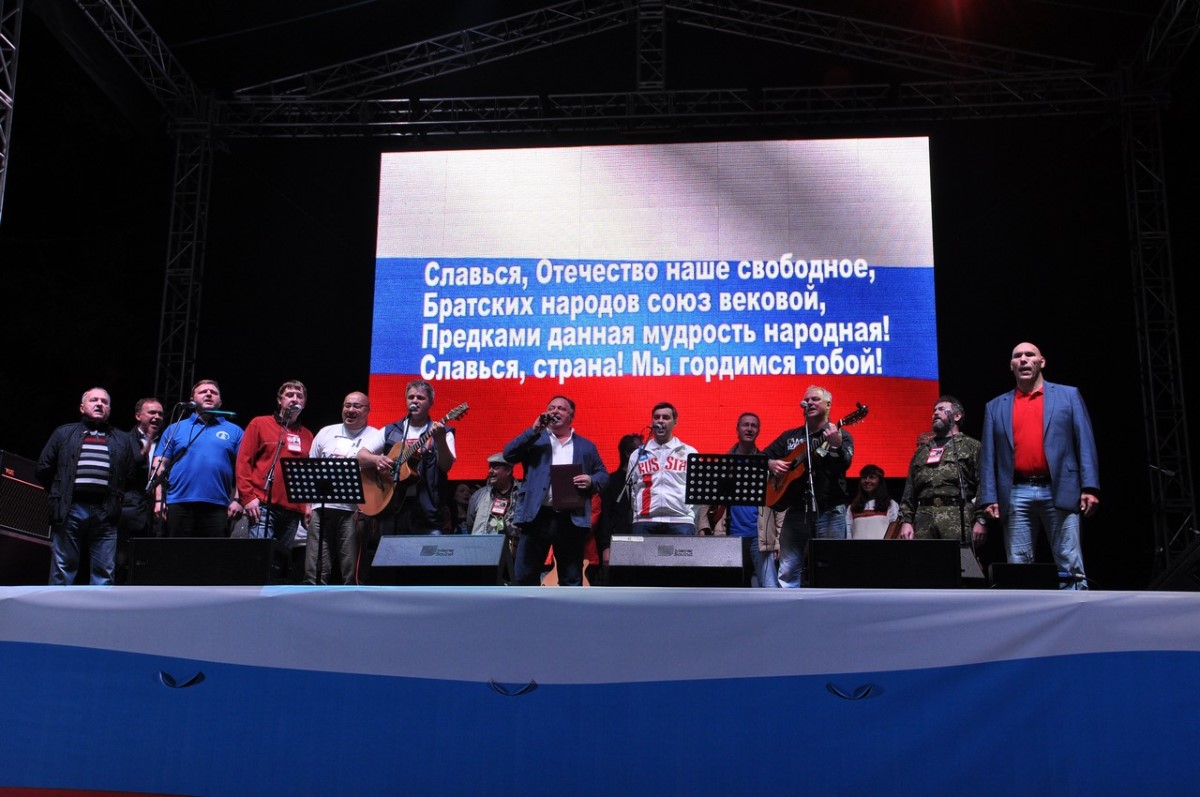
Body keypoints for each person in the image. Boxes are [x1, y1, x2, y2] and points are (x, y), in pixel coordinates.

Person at [979, 342, 1099, 588]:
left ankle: (1076, 608)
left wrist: (1089, 487)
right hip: (1016, 493)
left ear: (1041, 361)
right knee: (1018, 564)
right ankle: (1026, 610)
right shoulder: (995, 406)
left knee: (1069, 561)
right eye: (1017, 356)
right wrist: (989, 497)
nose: (1023, 359)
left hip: (1060, 489)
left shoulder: (1068, 395)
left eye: (1029, 355)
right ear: (1011, 365)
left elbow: (1085, 442)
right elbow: (989, 457)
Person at [502, 396, 607, 586]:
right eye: (551, 408)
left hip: (570, 518)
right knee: (524, 576)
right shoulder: (536, 440)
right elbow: (509, 454)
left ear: (571, 416)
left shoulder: (586, 446)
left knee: (571, 579)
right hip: (537, 516)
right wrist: (533, 430)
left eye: (561, 408)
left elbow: (603, 475)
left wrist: (591, 481)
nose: (555, 411)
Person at [36, 388, 137, 585]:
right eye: (94, 400)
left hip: (106, 511)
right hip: (70, 509)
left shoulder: (122, 439)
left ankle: (98, 607)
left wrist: (116, 500)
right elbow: (43, 468)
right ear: (82, 407)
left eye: (104, 402)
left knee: (104, 574)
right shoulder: (64, 433)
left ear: (109, 409)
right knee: (63, 570)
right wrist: (60, 493)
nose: (99, 404)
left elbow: (129, 476)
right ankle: (59, 605)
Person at [762, 385, 853, 588]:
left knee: (831, 567)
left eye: (815, 399)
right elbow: (761, 457)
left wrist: (836, 446)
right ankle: (789, 607)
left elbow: (843, 465)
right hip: (796, 511)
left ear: (828, 405)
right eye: (807, 400)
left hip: (829, 511)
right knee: (788, 571)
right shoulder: (790, 437)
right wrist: (771, 464)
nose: (810, 402)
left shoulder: (841, 435)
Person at [235, 380, 314, 581]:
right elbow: (243, 462)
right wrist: (247, 497)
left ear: (304, 403)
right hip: (262, 505)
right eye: (289, 395)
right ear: (280, 400)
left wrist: (306, 505)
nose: (294, 399)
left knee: (279, 563)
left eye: (299, 396)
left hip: (293, 511)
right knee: (260, 559)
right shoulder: (259, 423)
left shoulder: (307, 435)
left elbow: (307, 475)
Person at [697, 412, 782, 587]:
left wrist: (779, 539)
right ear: (737, 429)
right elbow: (708, 499)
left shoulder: (767, 465)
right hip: (729, 535)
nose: (749, 429)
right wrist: (703, 526)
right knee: (730, 589)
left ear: (759, 431)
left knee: (769, 588)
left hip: (761, 537)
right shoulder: (724, 463)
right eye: (745, 425)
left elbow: (779, 504)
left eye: (753, 425)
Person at [307, 391, 384, 585]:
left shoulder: (376, 436)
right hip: (321, 508)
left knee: (352, 575)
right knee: (315, 572)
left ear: (368, 410)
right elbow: (311, 469)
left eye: (357, 406)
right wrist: (308, 506)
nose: (351, 410)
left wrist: (374, 513)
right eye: (347, 405)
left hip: (355, 511)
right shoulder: (325, 432)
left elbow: (382, 478)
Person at [361, 379, 456, 535]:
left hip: (427, 514)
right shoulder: (391, 430)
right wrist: (377, 459)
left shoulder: (443, 432)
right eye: (411, 397)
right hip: (391, 509)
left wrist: (440, 439)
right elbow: (360, 456)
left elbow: (446, 466)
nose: (415, 401)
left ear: (431, 403)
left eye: (420, 397)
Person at [153, 379, 244, 538]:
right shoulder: (175, 428)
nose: (208, 394)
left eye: (213, 392)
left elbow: (244, 470)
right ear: (192, 399)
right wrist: (159, 500)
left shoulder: (235, 431)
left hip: (218, 506)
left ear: (220, 402)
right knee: (177, 553)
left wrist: (238, 500)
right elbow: (159, 465)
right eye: (203, 392)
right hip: (178, 503)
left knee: (212, 554)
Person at [896, 396, 986, 547]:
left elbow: (984, 485)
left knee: (960, 560)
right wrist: (906, 521)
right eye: (934, 411)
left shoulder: (971, 446)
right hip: (924, 520)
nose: (935, 413)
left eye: (942, 409)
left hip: (958, 518)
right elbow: (909, 490)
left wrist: (981, 520)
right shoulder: (922, 451)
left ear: (957, 416)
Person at [628, 402, 699, 535]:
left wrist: (689, 513)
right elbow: (631, 489)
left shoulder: (689, 453)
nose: (660, 421)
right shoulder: (638, 454)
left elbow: (696, 490)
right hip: (645, 520)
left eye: (666, 417)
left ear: (675, 422)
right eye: (657, 417)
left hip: (681, 520)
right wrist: (638, 511)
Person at [116, 397, 164, 582]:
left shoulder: (167, 442)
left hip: (156, 514)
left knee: (148, 564)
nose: (157, 417)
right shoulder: (124, 440)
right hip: (128, 510)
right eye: (152, 412)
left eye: (160, 413)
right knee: (121, 562)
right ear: (138, 416)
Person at [594, 432, 644, 585]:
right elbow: (605, 517)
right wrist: (606, 547)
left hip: (643, 543)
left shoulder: (647, 481)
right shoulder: (611, 481)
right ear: (628, 453)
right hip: (619, 544)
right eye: (640, 451)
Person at [470, 453, 521, 536]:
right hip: (481, 543)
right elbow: (470, 524)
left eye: (495, 467)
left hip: (512, 542)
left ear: (508, 471)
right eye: (490, 467)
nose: (490, 471)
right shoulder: (478, 495)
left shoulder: (522, 494)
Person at [846, 464, 900, 540]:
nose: (867, 480)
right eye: (864, 477)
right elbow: (848, 534)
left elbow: (895, 531)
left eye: (872, 477)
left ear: (879, 481)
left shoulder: (890, 504)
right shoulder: (852, 507)